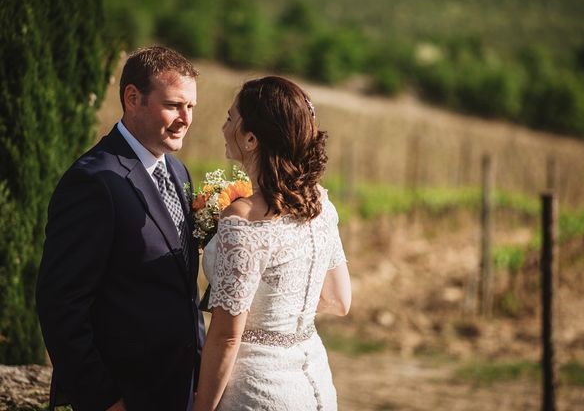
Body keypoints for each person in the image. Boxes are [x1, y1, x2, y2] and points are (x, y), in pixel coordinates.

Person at [36, 46, 204, 411]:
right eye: (174, 105)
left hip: (181, 389)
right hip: (126, 393)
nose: (186, 118)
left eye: (190, 107)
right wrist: (103, 399)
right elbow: (60, 304)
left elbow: (183, 291)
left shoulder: (178, 172)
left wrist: (199, 372)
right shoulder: (93, 181)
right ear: (133, 98)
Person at [194, 76, 352, 411]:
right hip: (315, 383)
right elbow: (339, 300)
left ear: (250, 139)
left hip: (258, 391)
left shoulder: (244, 218)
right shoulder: (320, 205)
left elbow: (225, 336)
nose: (223, 127)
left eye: (230, 118)